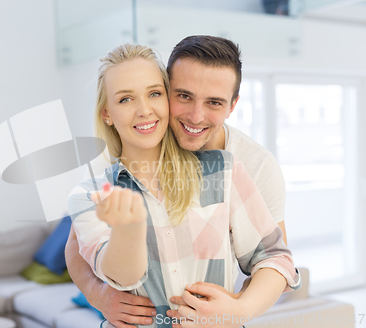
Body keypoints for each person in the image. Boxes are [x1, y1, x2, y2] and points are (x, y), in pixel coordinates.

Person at [67, 43, 300, 328]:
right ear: (107, 113)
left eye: (153, 93)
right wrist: (98, 290)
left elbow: (275, 258)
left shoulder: (232, 168)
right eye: (126, 99)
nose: (195, 116)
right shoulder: (92, 193)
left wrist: (236, 312)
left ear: (232, 105)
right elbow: (93, 258)